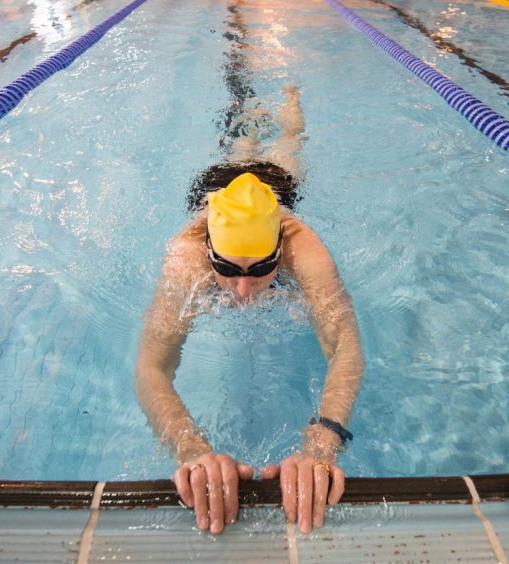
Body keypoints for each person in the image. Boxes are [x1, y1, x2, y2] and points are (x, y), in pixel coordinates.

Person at [134, 87, 364, 536]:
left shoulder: (305, 248)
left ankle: (292, 101)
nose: (243, 290)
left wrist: (322, 443)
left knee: (288, 149)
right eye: (226, 268)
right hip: (218, 184)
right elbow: (150, 365)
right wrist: (189, 447)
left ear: (280, 248)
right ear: (208, 252)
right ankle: (249, 119)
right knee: (241, 146)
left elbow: (347, 345)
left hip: (273, 183)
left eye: (262, 269)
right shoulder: (186, 256)